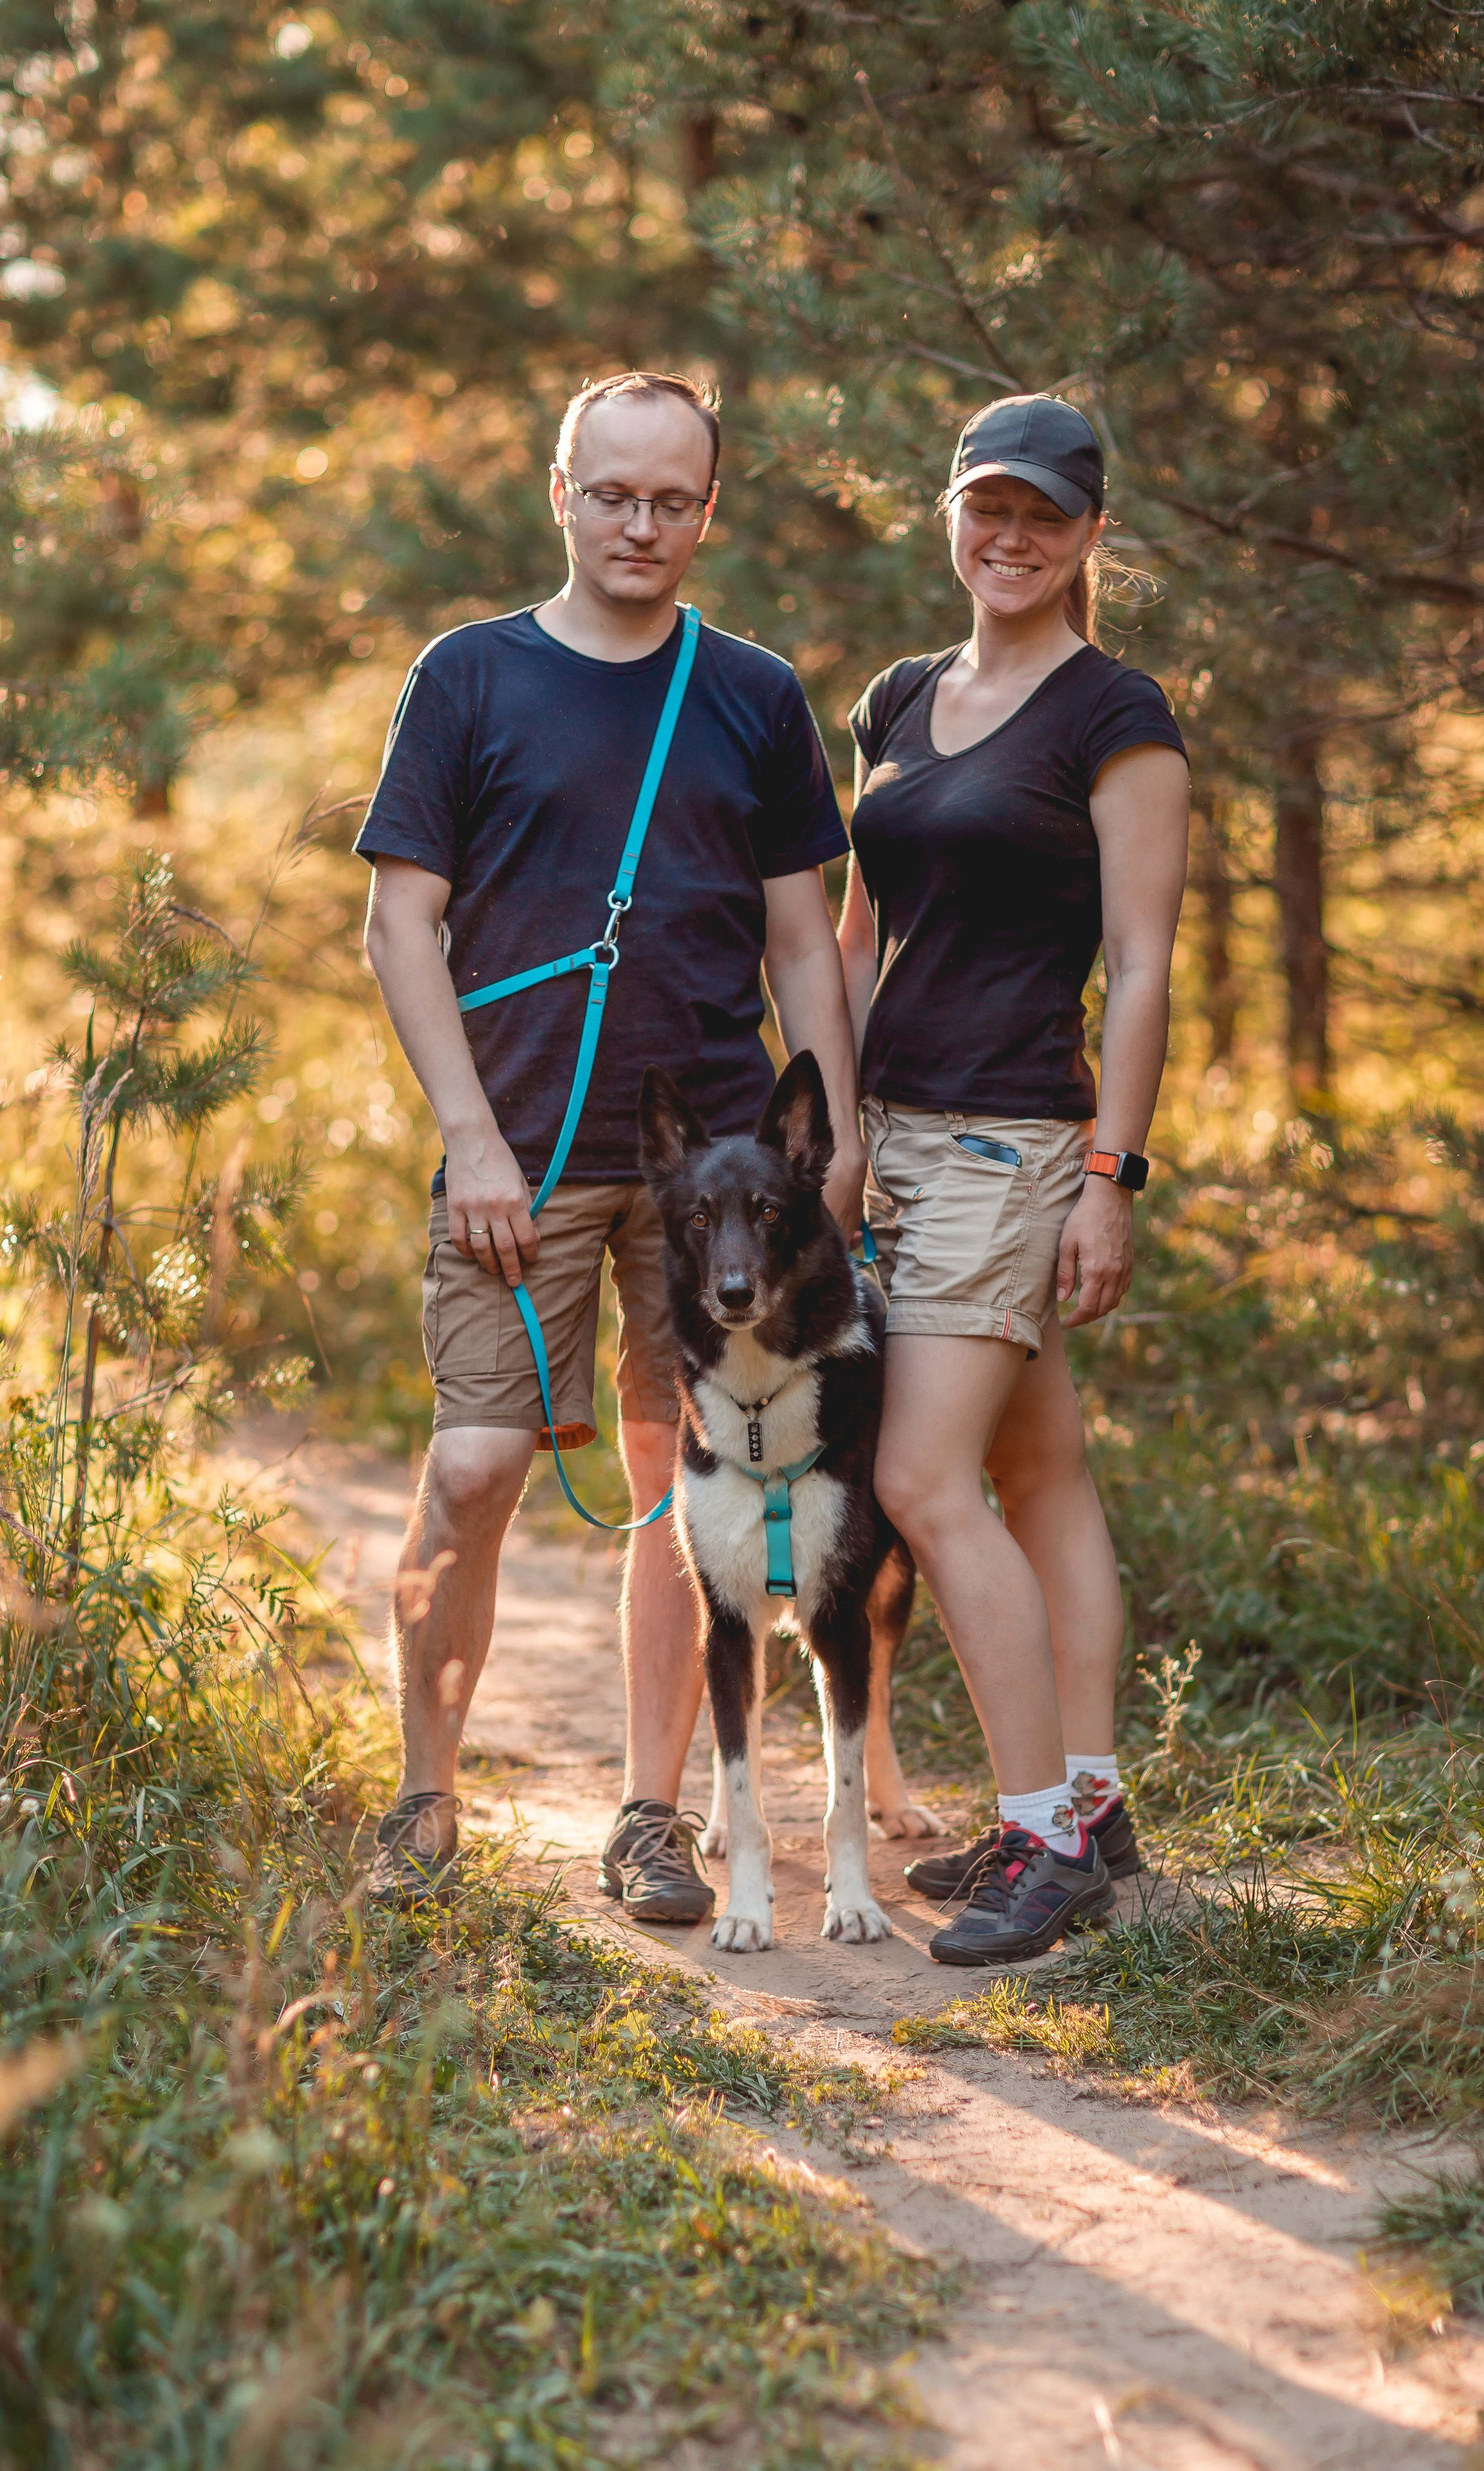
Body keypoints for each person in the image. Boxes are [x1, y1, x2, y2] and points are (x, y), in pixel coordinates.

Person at [356, 370, 861, 1919]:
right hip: (516, 1156)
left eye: (671, 500)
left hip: (712, 1181)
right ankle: (423, 1803)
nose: (639, 524)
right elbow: (399, 922)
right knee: (476, 1464)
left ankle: (651, 1816)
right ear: (559, 493)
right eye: (612, 493)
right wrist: (472, 1141)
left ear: (707, 511)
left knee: (678, 1492)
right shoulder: (468, 678)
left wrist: (827, 1144)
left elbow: (799, 938)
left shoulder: (752, 694)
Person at [837, 394, 1190, 1966]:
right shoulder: (904, 698)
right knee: (1039, 1470)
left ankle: (1038, 1842)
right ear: (951, 513)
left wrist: (1109, 1170)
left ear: (1088, 535)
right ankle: (1093, 1806)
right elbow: (857, 938)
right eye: (987, 505)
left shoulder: (1115, 714)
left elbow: (1140, 962)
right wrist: (827, 1133)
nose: (1010, 536)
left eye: (1043, 515)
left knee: (923, 1484)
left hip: (1009, 1138)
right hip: (894, 1132)